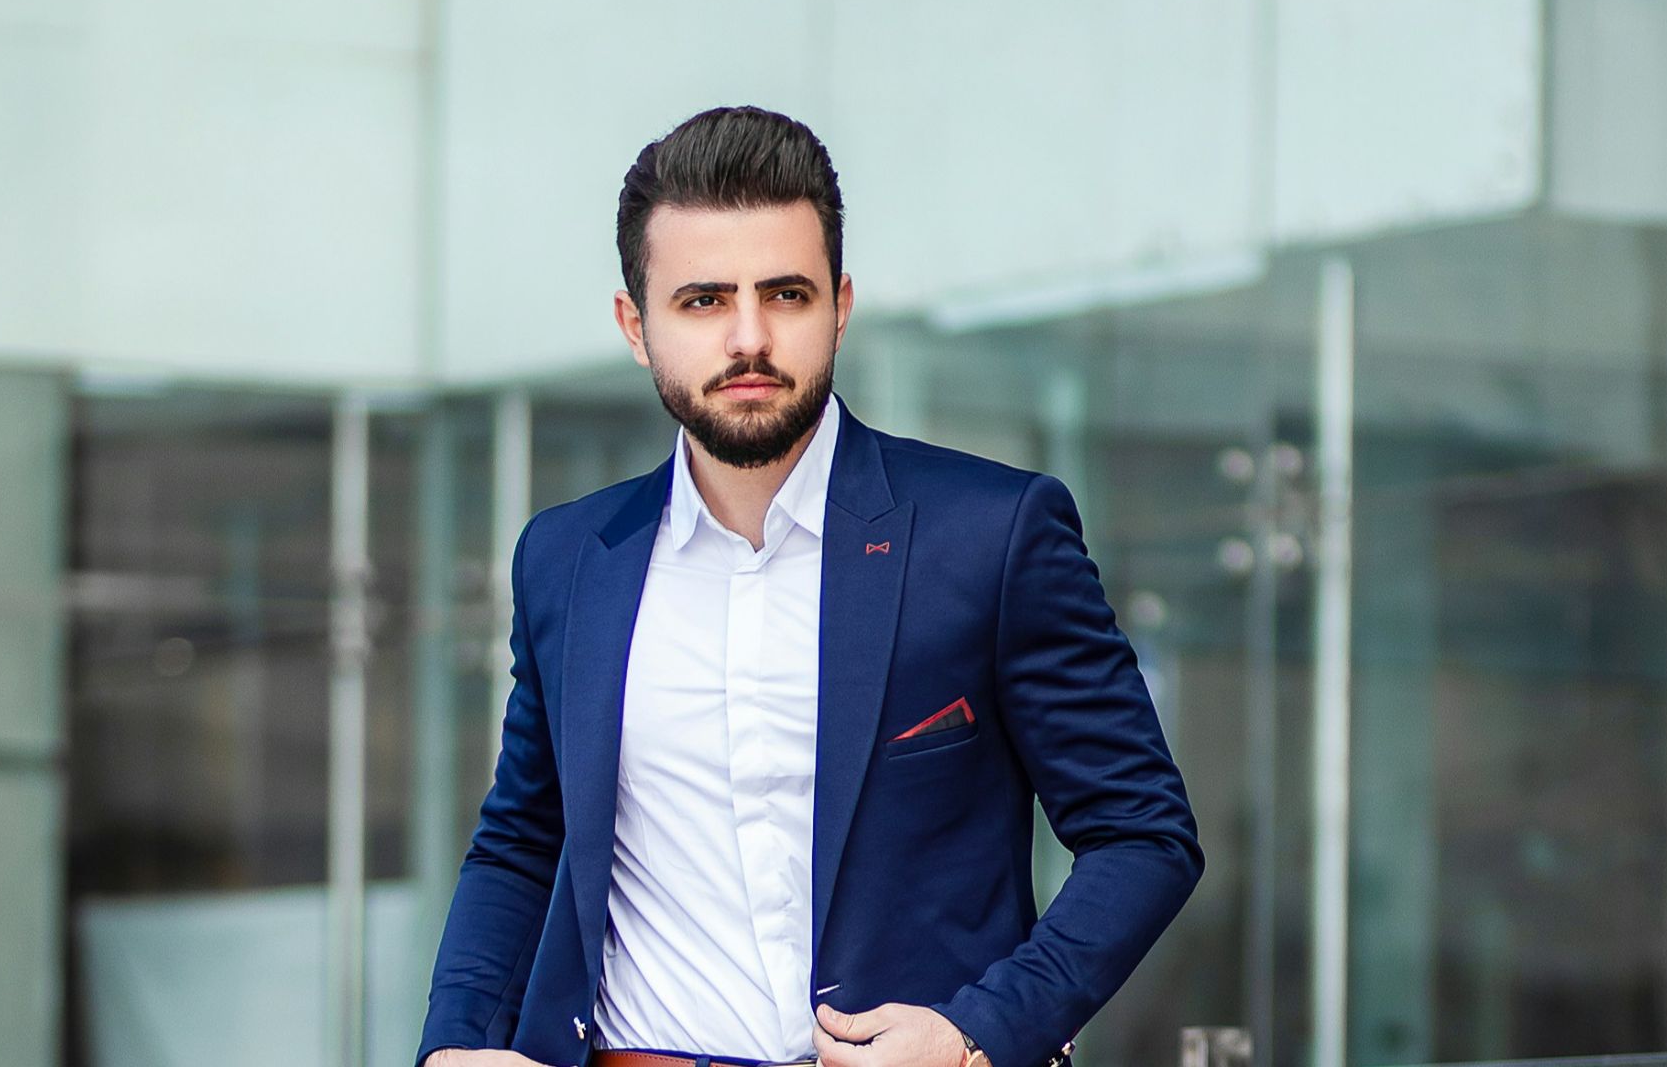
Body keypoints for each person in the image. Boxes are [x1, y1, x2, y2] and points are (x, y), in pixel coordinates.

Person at [417, 106, 1202, 1067]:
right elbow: (522, 840)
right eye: (703, 301)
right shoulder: (568, 559)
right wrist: (455, 1045)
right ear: (636, 325)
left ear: (840, 303)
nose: (749, 338)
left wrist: (979, 1035)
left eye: (784, 294)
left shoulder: (990, 535)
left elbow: (1142, 834)